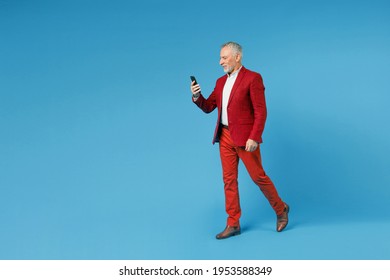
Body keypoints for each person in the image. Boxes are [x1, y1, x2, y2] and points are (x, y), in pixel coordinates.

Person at [190, 42, 289, 239]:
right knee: (229, 181)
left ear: (237, 57)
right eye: (220, 58)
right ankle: (233, 223)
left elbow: (261, 111)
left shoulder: (253, 78)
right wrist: (196, 96)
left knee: (258, 177)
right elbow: (209, 107)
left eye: (224, 58)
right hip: (224, 136)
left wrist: (254, 136)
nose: (220, 62)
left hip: (245, 139)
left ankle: (281, 209)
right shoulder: (220, 82)